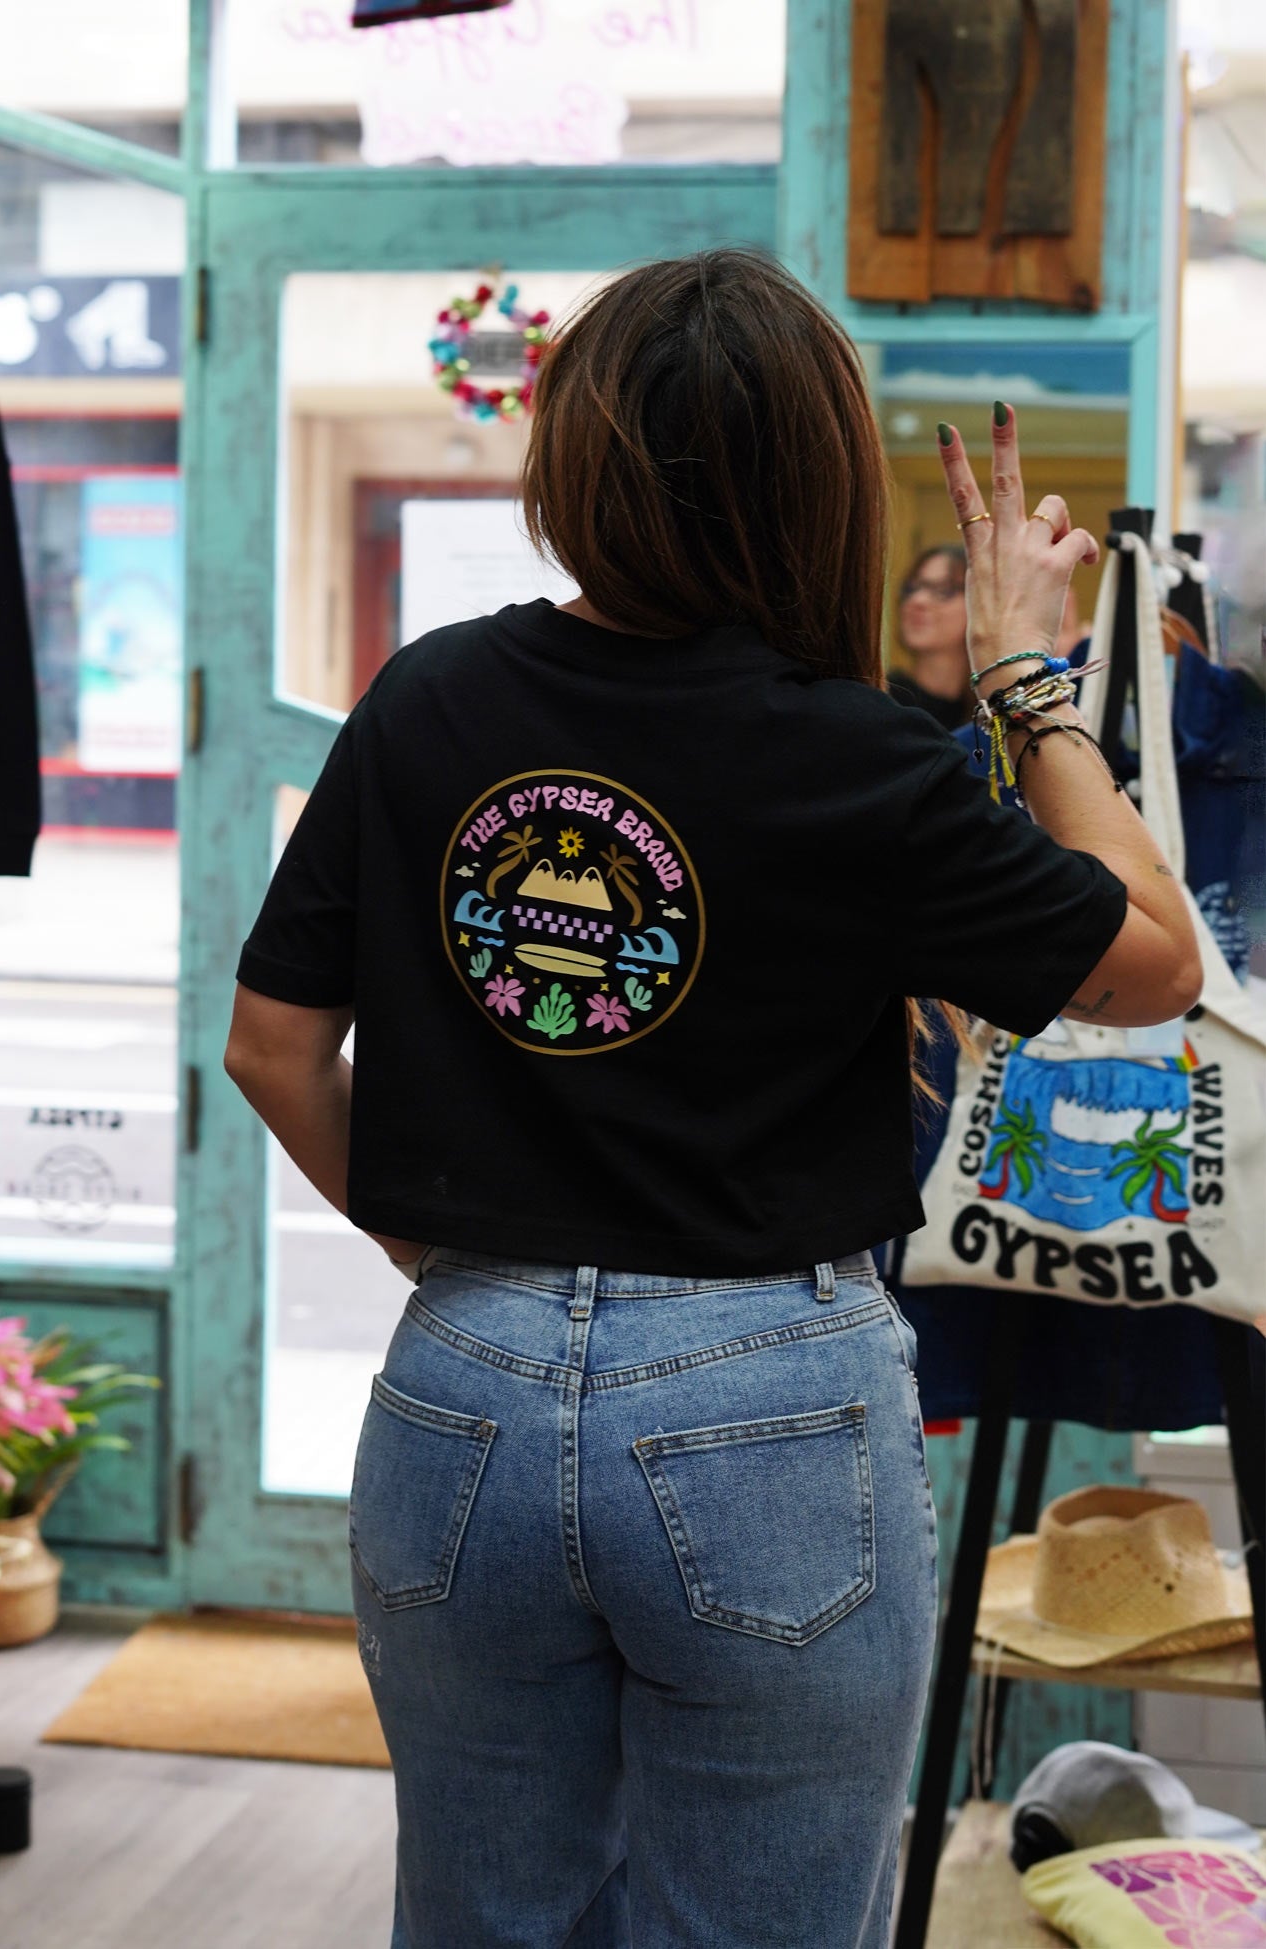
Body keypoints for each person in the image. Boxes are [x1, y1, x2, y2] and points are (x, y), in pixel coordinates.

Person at [224, 250, 1200, 1949]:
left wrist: (455, 1262)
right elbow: (1151, 960)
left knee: (481, 1911)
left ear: (567, 463)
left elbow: (272, 1044)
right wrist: (1023, 675)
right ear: (813, 480)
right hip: (768, 1397)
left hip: (462, 1386)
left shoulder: (429, 695)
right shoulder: (852, 755)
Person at [887, 541, 973, 729]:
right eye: (911, 589)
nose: (917, 600)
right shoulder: (882, 698)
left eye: (943, 590)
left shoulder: (992, 710)